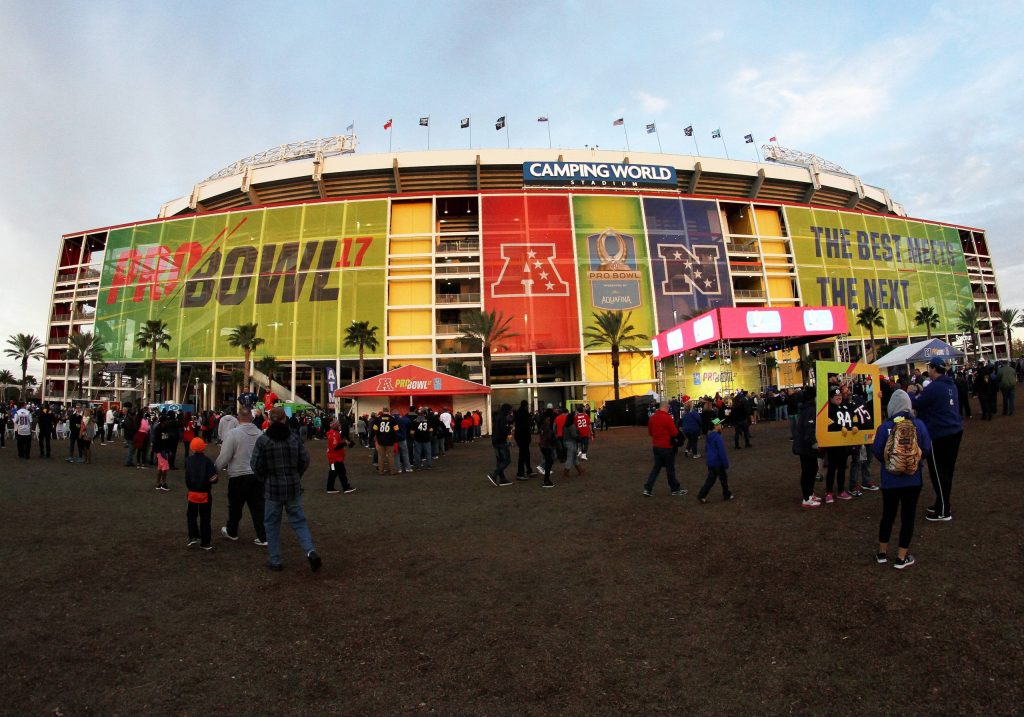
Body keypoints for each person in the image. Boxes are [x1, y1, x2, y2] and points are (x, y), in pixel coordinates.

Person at [250, 407, 321, 573]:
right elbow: (305, 460)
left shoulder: (264, 440)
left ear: (270, 419)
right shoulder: (293, 438)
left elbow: (255, 465)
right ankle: (310, 551)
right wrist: (296, 475)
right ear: (284, 419)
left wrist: (265, 478)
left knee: (272, 524)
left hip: (272, 488)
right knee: (299, 521)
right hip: (292, 486)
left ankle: (275, 560)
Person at [873, 389, 932, 569]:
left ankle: (882, 553)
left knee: (888, 515)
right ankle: (901, 557)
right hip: (912, 480)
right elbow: (927, 450)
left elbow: (877, 451)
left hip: (890, 480)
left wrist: (891, 461)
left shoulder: (884, 428)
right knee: (908, 517)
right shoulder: (919, 425)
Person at [911, 357, 963, 522]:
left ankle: (943, 510)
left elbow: (918, 404)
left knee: (938, 472)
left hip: (939, 434)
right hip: (954, 431)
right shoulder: (950, 384)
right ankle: (942, 502)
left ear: (933, 369)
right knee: (947, 471)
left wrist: (910, 393)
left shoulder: (934, 387)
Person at [215, 409, 268, 546]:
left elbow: (225, 456)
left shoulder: (233, 434)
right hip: (256, 475)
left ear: (238, 418)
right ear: (252, 418)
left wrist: (214, 470)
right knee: (258, 507)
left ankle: (232, 531)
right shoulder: (260, 434)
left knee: (235, 506)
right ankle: (263, 536)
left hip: (238, 475)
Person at [642, 402, 685, 497]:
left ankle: (647, 488)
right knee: (670, 469)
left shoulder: (652, 418)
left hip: (656, 446)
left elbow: (650, 432)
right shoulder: (667, 418)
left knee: (656, 468)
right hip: (666, 447)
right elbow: (674, 433)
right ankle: (674, 489)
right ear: (665, 407)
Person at [184, 437, 218, 550]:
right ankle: (205, 542)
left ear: (192, 448)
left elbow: (187, 476)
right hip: (205, 493)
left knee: (191, 516)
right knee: (205, 518)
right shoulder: (208, 461)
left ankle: (193, 536)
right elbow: (214, 478)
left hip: (192, 493)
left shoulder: (188, 460)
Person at [792, 388, 821, 508]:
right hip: (806, 447)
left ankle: (810, 493)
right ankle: (806, 498)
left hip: (804, 446)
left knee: (812, 469)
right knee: (808, 471)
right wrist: (814, 443)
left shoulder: (806, 408)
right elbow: (809, 430)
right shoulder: (810, 410)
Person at [698, 418, 733, 503]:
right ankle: (726, 494)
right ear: (716, 426)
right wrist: (725, 463)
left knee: (710, 480)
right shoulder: (718, 437)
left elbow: (707, 449)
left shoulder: (709, 437)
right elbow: (722, 451)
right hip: (718, 462)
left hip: (711, 461)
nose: (721, 426)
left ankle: (702, 495)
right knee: (723, 479)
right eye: (720, 424)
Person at [325, 419, 356, 494]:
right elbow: (335, 446)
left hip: (333, 458)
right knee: (341, 472)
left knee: (333, 472)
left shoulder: (333, 433)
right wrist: (345, 443)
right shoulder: (334, 434)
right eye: (338, 425)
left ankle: (330, 488)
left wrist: (345, 443)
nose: (340, 426)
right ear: (335, 426)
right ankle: (346, 487)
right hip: (335, 459)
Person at [486, 403, 514, 486]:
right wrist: (509, 428)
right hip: (501, 441)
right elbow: (503, 430)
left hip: (495, 441)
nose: (510, 411)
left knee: (500, 460)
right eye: (510, 410)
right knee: (507, 460)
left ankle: (502, 479)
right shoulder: (502, 418)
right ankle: (494, 474)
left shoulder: (497, 417)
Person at [372, 407, 397, 476]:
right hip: (390, 441)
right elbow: (396, 429)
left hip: (380, 441)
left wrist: (378, 435)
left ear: (383, 411)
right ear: (388, 411)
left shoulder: (378, 419)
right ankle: (392, 471)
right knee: (390, 456)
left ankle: (381, 471)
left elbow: (374, 429)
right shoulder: (392, 419)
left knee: (381, 456)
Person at [513, 400, 535, 479]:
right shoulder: (525, 414)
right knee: (523, 454)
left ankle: (528, 470)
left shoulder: (518, 413)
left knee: (525, 453)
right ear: (525, 406)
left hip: (519, 436)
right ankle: (521, 473)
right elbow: (528, 424)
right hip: (524, 436)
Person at [536, 405, 556, 488]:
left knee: (549, 461)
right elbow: (549, 438)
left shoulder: (542, 427)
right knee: (549, 461)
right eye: (548, 419)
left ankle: (546, 479)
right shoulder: (546, 427)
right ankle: (546, 480)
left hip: (542, 445)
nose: (549, 420)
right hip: (546, 446)